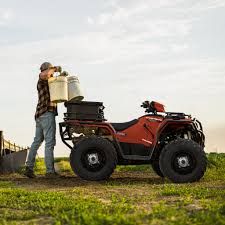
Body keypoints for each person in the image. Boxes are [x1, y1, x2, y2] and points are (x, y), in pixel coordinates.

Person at [24, 62, 61, 178]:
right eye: (49, 70)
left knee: (37, 141)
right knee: (49, 143)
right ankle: (50, 172)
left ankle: (29, 168)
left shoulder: (49, 81)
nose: (51, 72)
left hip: (40, 115)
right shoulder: (42, 78)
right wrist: (54, 68)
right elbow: (45, 74)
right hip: (46, 114)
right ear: (46, 70)